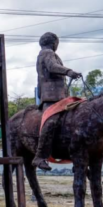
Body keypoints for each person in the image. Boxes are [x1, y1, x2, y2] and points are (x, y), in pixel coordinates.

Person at [34, 32, 81, 171]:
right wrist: (68, 72)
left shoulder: (45, 54)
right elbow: (52, 67)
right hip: (52, 97)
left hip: (59, 96)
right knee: (51, 122)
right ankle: (40, 156)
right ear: (54, 42)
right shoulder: (47, 53)